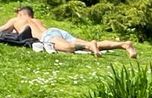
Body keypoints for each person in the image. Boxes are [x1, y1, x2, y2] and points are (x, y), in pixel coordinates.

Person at [0, 5, 137, 58]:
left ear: (20, 13)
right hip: (55, 31)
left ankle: (90, 45)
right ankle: (124, 44)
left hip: (48, 36)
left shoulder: (17, 19)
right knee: (88, 44)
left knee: (68, 48)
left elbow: (3, 30)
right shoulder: (37, 20)